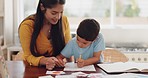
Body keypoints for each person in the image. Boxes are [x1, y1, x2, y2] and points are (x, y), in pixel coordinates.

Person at [18, 0, 71, 70]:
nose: (58, 17)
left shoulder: (64, 21)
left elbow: (69, 48)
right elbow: (29, 56)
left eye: (61, 12)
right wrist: (44, 61)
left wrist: (70, 67)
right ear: (42, 7)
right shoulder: (27, 26)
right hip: (32, 69)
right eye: (54, 13)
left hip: (56, 69)